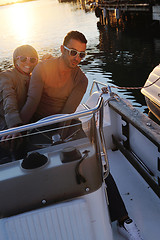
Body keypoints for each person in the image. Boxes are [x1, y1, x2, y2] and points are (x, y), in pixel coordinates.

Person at [20, 31, 142, 239]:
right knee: (30, 169)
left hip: (67, 125)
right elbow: (31, 104)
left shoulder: (82, 80)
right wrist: (14, 133)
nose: (77, 58)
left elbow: (67, 114)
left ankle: (123, 220)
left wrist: (61, 143)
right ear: (62, 49)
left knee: (96, 163)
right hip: (38, 127)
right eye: (73, 52)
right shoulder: (42, 68)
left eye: (82, 55)